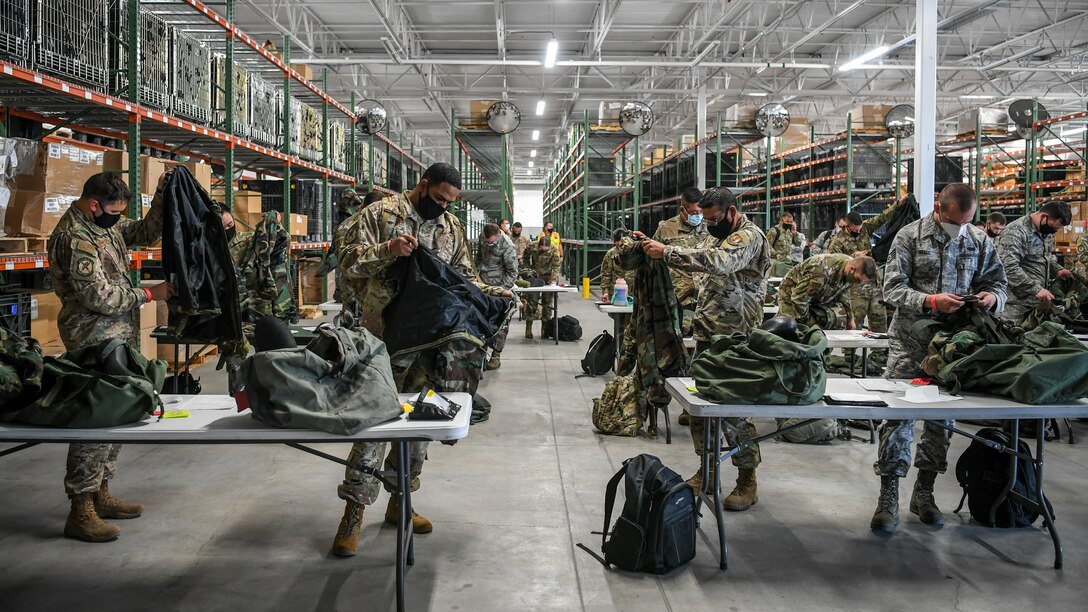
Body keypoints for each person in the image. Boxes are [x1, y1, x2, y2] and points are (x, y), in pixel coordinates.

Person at [331, 163, 512, 557]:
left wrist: (495, 293)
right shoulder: (380, 215)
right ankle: (354, 512)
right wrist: (388, 250)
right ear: (423, 185)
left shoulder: (450, 228)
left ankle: (402, 503)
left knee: (418, 426)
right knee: (374, 424)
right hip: (382, 340)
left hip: (432, 342)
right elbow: (346, 262)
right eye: (439, 199)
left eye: (450, 203)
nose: (443, 208)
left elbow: (463, 278)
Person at [48, 172, 176, 542]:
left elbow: (143, 233)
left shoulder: (101, 227)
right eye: (113, 212)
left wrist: (162, 198)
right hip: (91, 337)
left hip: (116, 335)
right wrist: (151, 295)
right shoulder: (75, 238)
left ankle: (101, 493)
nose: (117, 219)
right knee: (96, 417)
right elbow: (97, 298)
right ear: (93, 205)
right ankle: (80, 508)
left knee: (117, 410)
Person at [874, 183, 1008, 533]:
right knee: (899, 420)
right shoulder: (909, 236)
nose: (959, 230)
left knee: (941, 421)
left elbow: (999, 282)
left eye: (965, 223)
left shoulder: (979, 240)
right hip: (910, 343)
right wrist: (930, 301)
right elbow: (891, 288)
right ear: (939, 208)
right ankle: (888, 496)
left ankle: (925, 491)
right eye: (953, 223)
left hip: (953, 347)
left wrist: (992, 297)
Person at [637, 187, 770, 512]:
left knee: (734, 412)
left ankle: (746, 479)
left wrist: (666, 252)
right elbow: (698, 256)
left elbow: (719, 262)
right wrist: (648, 245)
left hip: (737, 338)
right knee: (698, 406)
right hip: (709, 333)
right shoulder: (717, 235)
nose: (708, 224)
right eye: (705, 219)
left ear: (732, 212)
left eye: (713, 219)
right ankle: (707, 470)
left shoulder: (748, 237)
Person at [827, 198, 908, 369]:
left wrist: (898, 204)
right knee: (855, 321)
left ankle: (878, 356)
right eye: (855, 230)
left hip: (873, 283)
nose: (859, 231)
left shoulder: (865, 229)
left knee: (879, 318)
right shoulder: (837, 242)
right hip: (854, 288)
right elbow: (834, 264)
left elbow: (882, 218)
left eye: (860, 228)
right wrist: (854, 257)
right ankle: (850, 356)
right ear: (846, 227)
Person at [994, 201, 1072, 325]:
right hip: (1016, 307)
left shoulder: (1045, 232)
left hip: (1037, 305)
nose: (1053, 232)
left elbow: (1046, 257)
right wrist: (1036, 289)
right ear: (1043, 217)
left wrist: (1057, 269)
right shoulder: (1016, 231)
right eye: (1053, 228)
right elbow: (1007, 267)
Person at [652, 187, 707, 325]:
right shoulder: (666, 229)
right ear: (683, 210)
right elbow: (653, 260)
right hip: (677, 300)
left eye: (701, 212)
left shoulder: (710, 228)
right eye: (694, 213)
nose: (699, 216)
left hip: (705, 300)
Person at [777, 254, 878, 329]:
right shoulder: (820, 271)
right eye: (858, 280)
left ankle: (821, 353)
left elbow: (844, 294)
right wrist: (810, 324)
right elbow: (799, 300)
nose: (858, 283)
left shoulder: (850, 272)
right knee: (789, 327)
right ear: (852, 269)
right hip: (791, 295)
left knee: (839, 319)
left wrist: (850, 319)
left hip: (817, 296)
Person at [476, 223, 518, 370]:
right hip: (483, 287)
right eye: (487, 242)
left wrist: (502, 291)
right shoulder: (483, 238)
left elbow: (512, 272)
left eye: (492, 242)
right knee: (481, 321)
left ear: (499, 235)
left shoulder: (508, 246)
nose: (489, 244)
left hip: (501, 289)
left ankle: (495, 356)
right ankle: (480, 354)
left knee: (500, 323)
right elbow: (478, 259)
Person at [524, 234, 561, 339]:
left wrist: (553, 280)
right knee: (532, 302)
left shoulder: (554, 250)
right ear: (539, 246)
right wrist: (527, 270)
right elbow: (525, 256)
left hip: (548, 277)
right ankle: (528, 328)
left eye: (546, 250)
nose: (543, 251)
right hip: (535, 276)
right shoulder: (532, 246)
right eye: (541, 249)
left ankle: (545, 329)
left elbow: (556, 266)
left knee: (547, 303)